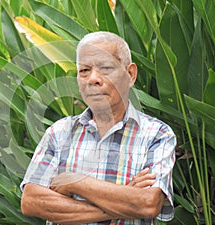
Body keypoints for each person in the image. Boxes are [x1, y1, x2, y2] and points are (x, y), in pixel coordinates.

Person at [20, 31, 176, 225]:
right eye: (84, 70)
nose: (93, 78)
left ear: (130, 74)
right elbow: (32, 202)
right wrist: (125, 200)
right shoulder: (58, 132)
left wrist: (75, 182)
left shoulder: (157, 134)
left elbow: (148, 205)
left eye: (106, 68)